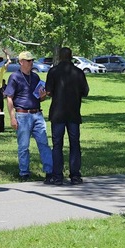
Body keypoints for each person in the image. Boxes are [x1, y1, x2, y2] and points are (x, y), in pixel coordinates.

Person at [3, 51, 53, 183]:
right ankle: (24, 172)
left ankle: (50, 171)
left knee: (44, 143)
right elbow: (9, 98)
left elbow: (39, 98)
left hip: (37, 114)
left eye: (32, 61)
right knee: (23, 146)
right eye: (28, 61)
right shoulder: (14, 77)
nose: (31, 63)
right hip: (22, 115)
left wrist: (43, 96)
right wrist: (12, 118)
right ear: (21, 62)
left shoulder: (35, 77)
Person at [46, 47, 89, 185]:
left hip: (58, 113)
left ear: (59, 57)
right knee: (74, 144)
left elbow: (48, 91)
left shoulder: (53, 72)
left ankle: (58, 176)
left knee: (57, 144)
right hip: (73, 112)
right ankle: (75, 175)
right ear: (71, 57)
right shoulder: (78, 72)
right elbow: (85, 91)